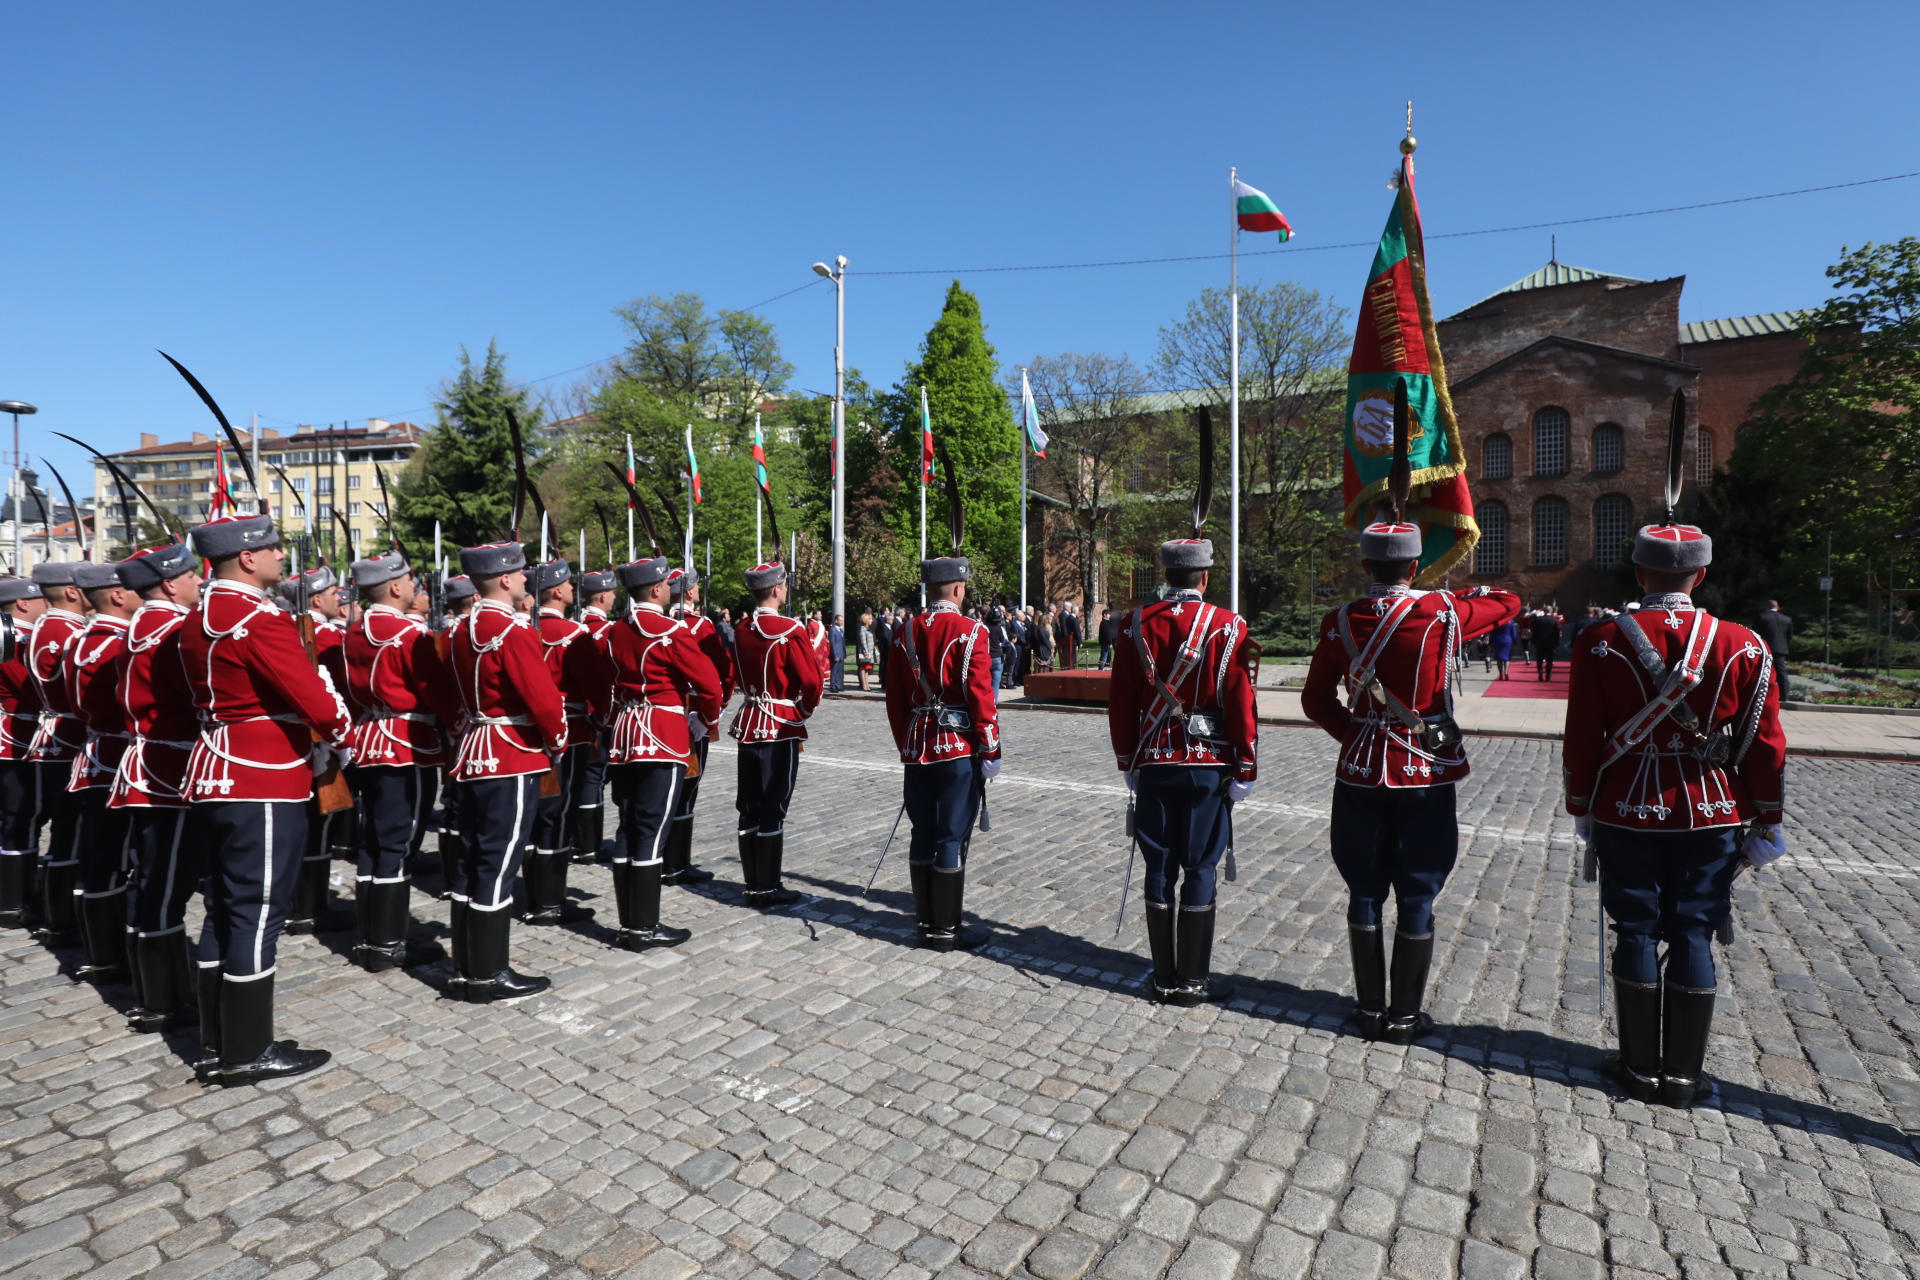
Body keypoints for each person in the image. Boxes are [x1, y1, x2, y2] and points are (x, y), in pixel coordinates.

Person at [1564, 523, 1786, 1107]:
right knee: (1694, 929)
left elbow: (1583, 735)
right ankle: (1683, 1076)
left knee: (1634, 926)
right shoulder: (1743, 643)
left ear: (1638, 572)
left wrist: (1581, 804)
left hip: (1625, 806)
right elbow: (1765, 743)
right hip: (1711, 806)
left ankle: (1639, 1067)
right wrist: (1768, 816)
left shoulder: (1601, 640)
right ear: (1702, 575)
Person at [1300, 517, 1520, 1043]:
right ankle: (1404, 1016)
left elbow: (1314, 701)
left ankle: (1370, 1009)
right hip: (1424, 768)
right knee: (1418, 891)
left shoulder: (1339, 620)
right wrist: (1441, 588)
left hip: (1360, 770)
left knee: (1364, 887)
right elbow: (1507, 602)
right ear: (1416, 566)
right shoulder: (1440, 612)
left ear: (1363, 565)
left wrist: (1356, 735)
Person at [181, 512, 352, 1085]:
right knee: (258, 911)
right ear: (248, 558)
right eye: (275, 549)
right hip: (263, 773)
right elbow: (312, 697)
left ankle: (217, 1034)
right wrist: (342, 736)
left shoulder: (199, 613)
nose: (283, 558)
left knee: (223, 908)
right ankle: (248, 1050)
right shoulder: (256, 615)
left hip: (214, 767)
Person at [1108, 539, 1258, 1005]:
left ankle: (1163, 975)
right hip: (1209, 767)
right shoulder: (1227, 626)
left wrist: (1127, 759)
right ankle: (1193, 981)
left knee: (1158, 864)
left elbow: (1121, 703)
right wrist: (1246, 764)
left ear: (1165, 574)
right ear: (1206, 578)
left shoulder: (1134, 625)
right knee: (1199, 865)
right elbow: (1239, 701)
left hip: (1153, 761)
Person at [445, 541, 568, 1001]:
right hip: (512, 751)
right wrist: (555, 741)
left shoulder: (460, 629)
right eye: (519, 574)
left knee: (472, 859)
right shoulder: (513, 632)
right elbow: (543, 701)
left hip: (474, 747)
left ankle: (467, 964)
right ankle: (489, 974)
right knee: (499, 864)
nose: (525, 580)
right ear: (503, 579)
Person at [342, 550, 461, 970]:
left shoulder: (354, 632)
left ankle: (371, 936)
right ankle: (389, 944)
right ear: (395, 587)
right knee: (399, 843)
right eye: (410, 580)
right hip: (407, 743)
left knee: (373, 841)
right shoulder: (410, 636)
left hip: (369, 740)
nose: (415, 586)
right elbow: (439, 692)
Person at [602, 556, 722, 945]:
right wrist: (703, 722)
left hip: (624, 736)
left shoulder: (615, 630)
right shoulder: (671, 630)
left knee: (627, 828)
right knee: (652, 830)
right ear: (656, 589)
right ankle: (643, 926)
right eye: (666, 583)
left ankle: (628, 920)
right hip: (661, 735)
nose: (672, 587)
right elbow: (710, 687)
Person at [885, 556, 1001, 950]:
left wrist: (906, 740)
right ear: (958, 589)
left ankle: (924, 923)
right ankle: (947, 931)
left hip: (917, 746)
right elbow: (981, 695)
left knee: (922, 833)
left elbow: (895, 699)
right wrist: (991, 746)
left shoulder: (905, 632)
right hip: (957, 747)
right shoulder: (972, 632)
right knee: (951, 836)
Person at [108, 544, 202, 1033]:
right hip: (170, 767)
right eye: (192, 577)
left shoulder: (139, 625)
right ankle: (162, 1000)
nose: (199, 583)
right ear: (170, 583)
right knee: (164, 885)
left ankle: (156, 992)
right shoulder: (172, 628)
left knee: (153, 882)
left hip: (148, 763)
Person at [729, 562, 823, 906]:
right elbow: (811, 681)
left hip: (750, 719)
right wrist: (804, 710)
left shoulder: (741, 628)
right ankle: (768, 887)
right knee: (773, 804)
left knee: (749, 806)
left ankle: (753, 882)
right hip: (778, 722)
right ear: (776, 589)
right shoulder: (787, 628)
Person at [524, 559, 607, 923]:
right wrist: (602, 721)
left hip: (525, 734)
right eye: (570, 585)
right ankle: (550, 902)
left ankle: (534, 894)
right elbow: (597, 688)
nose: (575, 590)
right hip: (568, 731)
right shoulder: (573, 636)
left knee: (532, 814)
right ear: (557, 591)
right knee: (558, 816)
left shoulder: (522, 629)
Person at [66, 562, 138, 984]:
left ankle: (99, 949)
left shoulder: (83, 638)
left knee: (98, 857)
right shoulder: (116, 642)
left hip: (93, 753)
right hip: (115, 758)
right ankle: (110, 955)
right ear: (116, 595)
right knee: (112, 859)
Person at [278, 564, 350, 935]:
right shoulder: (323, 635)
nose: (342, 598)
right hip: (321, 735)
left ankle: (302, 902)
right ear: (317, 599)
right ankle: (309, 907)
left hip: (302, 739)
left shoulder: (287, 629)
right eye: (335, 592)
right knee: (318, 826)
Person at [25, 561, 90, 945]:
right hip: (69, 737)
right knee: (71, 831)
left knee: (65, 832)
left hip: (54, 735)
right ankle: (62, 916)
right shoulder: (67, 631)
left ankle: (56, 912)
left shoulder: (46, 627)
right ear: (70, 590)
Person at [662, 567, 733, 886]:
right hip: (692, 711)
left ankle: (659, 856)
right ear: (689, 592)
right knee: (687, 789)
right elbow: (723, 670)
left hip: (660, 714)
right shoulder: (700, 625)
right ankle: (676, 863)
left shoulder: (658, 624)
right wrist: (716, 708)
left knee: (664, 787)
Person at [0, 577, 47, 930]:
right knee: (20, 820)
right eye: (41, 599)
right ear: (22, 604)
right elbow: (33, 690)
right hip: (16, 738)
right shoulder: (13, 639)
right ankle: (13, 902)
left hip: (21, 734)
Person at [571, 569, 619, 865]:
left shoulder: (573, 627)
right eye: (612, 592)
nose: (615, 597)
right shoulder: (607, 632)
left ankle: (576, 839)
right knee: (594, 777)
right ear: (603, 596)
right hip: (598, 714)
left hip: (575, 714)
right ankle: (588, 844)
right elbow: (609, 678)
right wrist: (603, 716)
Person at [1530, 607, 1562, 682]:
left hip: (1540, 642)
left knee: (1540, 658)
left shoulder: (1538, 620)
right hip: (1551, 642)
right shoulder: (1555, 620)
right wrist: (1557, 643)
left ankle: (1540, 672)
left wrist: (1534, 641)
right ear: (1551, 611)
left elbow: (1534, 631)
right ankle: (1548, 675)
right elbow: (1557, 633)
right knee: (1550, 659)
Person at [1487, 615, 1518, 680]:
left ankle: (1501, 674)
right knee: (1507, 658)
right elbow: (1513, 633)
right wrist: (1515, 642)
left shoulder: (1497, 622)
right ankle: (1506, 671)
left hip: (1498, 640)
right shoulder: (1511, 621)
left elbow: (1493, 633)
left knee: (1499, 659)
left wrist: (1490, 642)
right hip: (1508, 640)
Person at [873, 608, 895, 691]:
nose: (893, 622)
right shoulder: (885, 629)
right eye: (892, 620)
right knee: (885, 666)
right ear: (888, 620)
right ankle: (884, 683)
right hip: (886, 650)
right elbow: (886, 640)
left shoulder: (888, 627)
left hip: (887, 650)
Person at [856, 612, 877, 692]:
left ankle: (867, 683)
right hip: (866, 652)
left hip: (870, 651)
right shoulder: (862, 628)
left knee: (867, 668)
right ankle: (864, 685)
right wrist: (866, 652)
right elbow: (863, 641)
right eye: (870, 619)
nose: (872, 620)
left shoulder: (867, 628)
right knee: (863, 667)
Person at [1059, 603, 1081, 671]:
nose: (1078, 612)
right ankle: (1072, 668)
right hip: (1073, 640)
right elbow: (1077, 631)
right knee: (1073, 656)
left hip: (1071, 639)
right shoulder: (1073, 619)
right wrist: (1080, 641)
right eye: (1078, 610)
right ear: (1075, 611)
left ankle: (1069, 667)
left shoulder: (1069, 618)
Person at [828, 613, 846, 692]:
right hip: (836, 654)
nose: (842, 622)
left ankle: (838, 685)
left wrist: (844, 653)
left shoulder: (841, 630)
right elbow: (832, 643)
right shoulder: (832, 630)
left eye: (842, 620)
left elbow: (842, 643)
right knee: (835, 671)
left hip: (841, 653)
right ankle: (833, 686)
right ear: (836, 621)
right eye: (840, 620)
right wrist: (835, 655)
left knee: (839, 671)